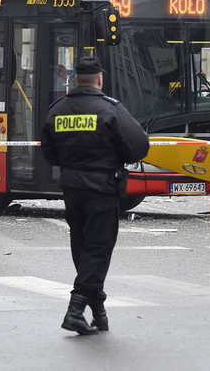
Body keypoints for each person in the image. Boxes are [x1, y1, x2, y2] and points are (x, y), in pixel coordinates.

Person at [40, 56, 150, 335]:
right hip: (101, 190)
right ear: (99, 79)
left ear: (75, 79)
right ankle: (75, 311)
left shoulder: (58, 110)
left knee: (83, 250)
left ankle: (98, 312)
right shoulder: (110, 109)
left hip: (72, 191)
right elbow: (138, 147)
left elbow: (49, 154)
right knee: (98, 251)